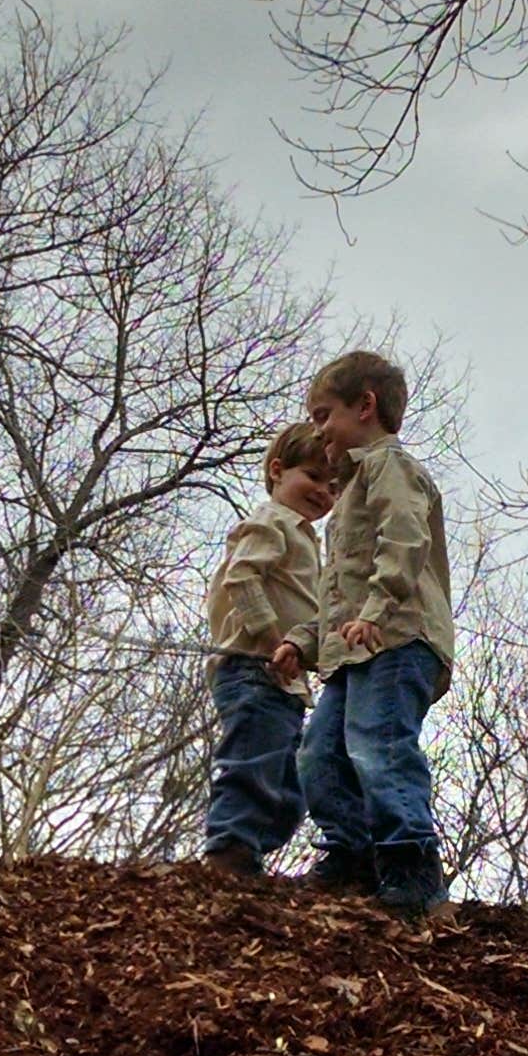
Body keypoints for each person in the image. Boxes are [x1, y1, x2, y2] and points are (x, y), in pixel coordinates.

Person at [295, 348, 456, 919]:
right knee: (319, 754)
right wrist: (302, 643)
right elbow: (335, 593)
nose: (318, 431)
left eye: (324, 416)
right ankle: (352, 854)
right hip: (351, 651)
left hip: (396, 638)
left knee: (378, 746)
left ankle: (413, 870)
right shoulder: (348, 495)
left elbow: (404, 538)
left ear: (364, 406)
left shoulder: (391, 466)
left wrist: (379, 608)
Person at [199, 424, 337, 876]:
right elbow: (242, 577)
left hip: (286, 679)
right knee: (253, 759)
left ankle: (249, 853)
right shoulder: (273, 521)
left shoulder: (308, 541)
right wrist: (270, 639)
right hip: (254, 667)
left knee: (288, 790)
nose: (323, 492)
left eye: (333, 486)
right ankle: (228, 851)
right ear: (277, 471)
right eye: (313, 476)